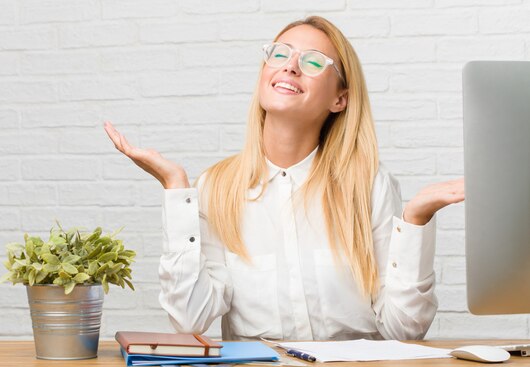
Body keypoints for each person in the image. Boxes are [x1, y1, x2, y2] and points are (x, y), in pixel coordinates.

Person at [104, 16, 464, 341]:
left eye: (312, 62)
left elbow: (404, 329)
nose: (290, 67)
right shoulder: (217, 187)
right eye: (280, 54)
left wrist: (416, 220)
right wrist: (176, 189)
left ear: (340, 99)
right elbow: (189, 319)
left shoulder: (368, 185)